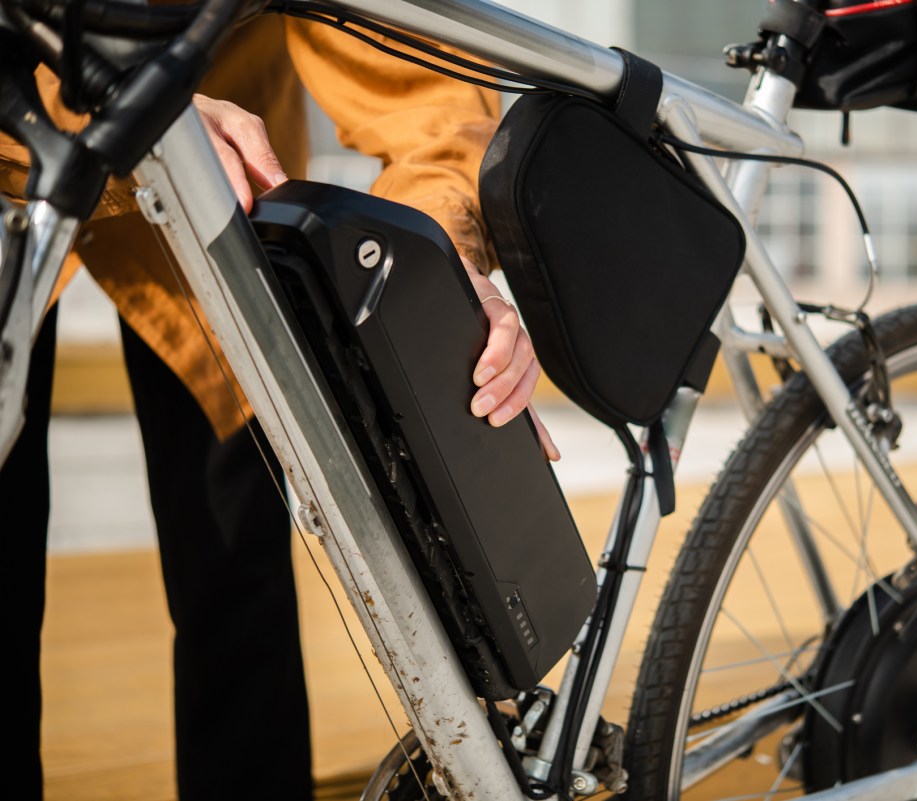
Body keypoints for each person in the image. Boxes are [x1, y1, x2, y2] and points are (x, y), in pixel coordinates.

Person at [0, 15, 555, 801]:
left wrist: (441, 270)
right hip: (21, 157)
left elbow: (423, 89)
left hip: (213, 203)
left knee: (236, 560)